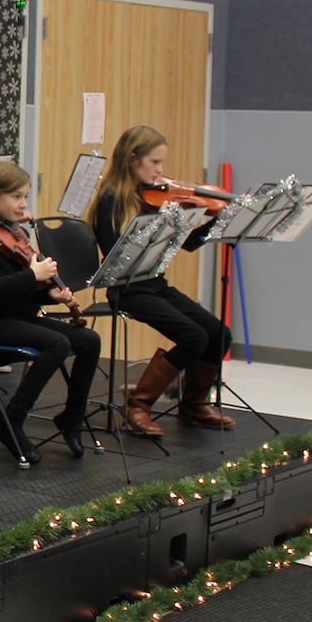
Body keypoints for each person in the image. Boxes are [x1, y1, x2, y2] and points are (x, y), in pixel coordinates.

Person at [90, 125, 235, 434]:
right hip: (126, 288)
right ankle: (138, 405)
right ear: (132, 159)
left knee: (218, 333)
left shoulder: (151, 197)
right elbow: (116, 257)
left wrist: (216, 220)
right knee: (194, 336)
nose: (161, 171)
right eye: (155, 163)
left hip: (154, 284)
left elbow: (191, 244)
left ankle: (194, 404)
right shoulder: (111, 200)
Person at [0, 161, 102, 461]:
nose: (24, 204)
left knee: (89, 340)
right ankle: (11, 421)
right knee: (57, 343)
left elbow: (26, 290)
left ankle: (71, 418)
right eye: (17, 197)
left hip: (19, 318)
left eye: (25, 196)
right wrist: (32, 276)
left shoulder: (13, 233)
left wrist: (50, 293)